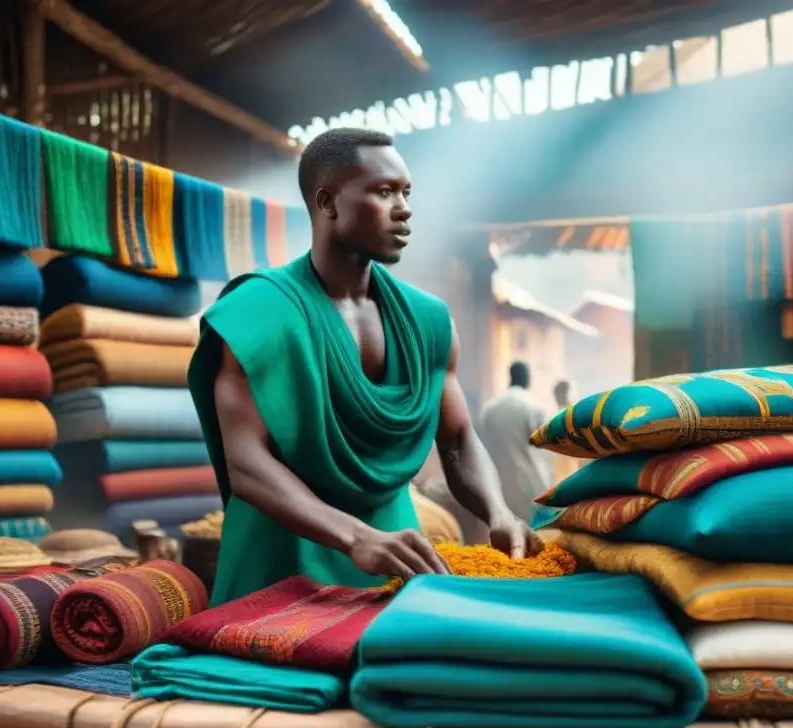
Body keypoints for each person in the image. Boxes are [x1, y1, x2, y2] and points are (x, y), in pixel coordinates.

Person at [187, 127, 542, 607]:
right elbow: (247, 465)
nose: (404, 207)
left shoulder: (428, 320)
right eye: (384, 191)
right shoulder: (258, 312)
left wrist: (498, 511)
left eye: (406, 192)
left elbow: (457, 442)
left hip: (399, 566)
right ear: (328, 202)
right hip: (278, 567)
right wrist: (357, 538)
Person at [478, 362, 554, 524]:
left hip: (497, 485)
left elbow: (481, 445)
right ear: (527, 378)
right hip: (528, 485)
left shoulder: (490, 407)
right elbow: (544, 446)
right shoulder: (533, 406)